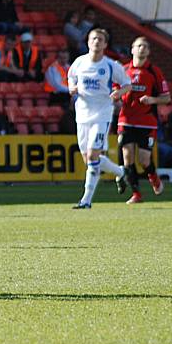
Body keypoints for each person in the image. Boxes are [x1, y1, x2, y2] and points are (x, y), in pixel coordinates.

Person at [67, 28, 131, 209]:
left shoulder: (111, 66)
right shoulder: (79, 63)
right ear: (88, 42)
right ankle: (120, 171)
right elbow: (70, 78)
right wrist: (72, 87)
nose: (96, 41)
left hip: (102, 114)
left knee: (94, 154)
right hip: (82, 115)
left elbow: (128, 84)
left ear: (105, 44)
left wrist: (119, 92)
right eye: (93, 38)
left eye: (100, 39)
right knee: (89, 160)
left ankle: (86, 200)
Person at [117, 37, 171, 204]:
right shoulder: (123, 70)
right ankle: (136, 194)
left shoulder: (154, 71)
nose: (142, 48)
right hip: (126, 120)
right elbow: (115, 90)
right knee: (127, 157)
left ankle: (153, 177)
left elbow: (166, 97)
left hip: (146, 121)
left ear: (148, 51)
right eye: (139, 46)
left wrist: (152, 100)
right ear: (132, 49)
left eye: (145, 46)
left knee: (144, 159)